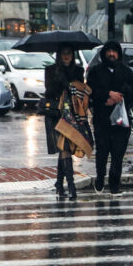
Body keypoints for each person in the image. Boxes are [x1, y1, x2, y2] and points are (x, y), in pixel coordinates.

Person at [87, 40, 133, 195]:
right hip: (102, 119)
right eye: (108, 51)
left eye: (114, 51)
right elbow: (90, 91)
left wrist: (120, 96)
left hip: (121, 121)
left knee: (118, 154)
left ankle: (115, 184)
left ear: (119, 54)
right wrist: (107, 95)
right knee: (102, 152)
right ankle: (100, 179)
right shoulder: (95, 71)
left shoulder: (126, 71)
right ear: (104, 53)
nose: (111, 54)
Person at [44, 44, 92, 199]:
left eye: (69, 53)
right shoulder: (51, 70)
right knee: (63, 148)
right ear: (59, 55)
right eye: (64, 53)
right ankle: (71, 186)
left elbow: (80, 90)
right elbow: (49, 91)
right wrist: (60, 79)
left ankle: (60, 183)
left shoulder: (78, 71)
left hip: (72, 114)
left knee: (65, 148)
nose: (67, 56)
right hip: (56, 114)